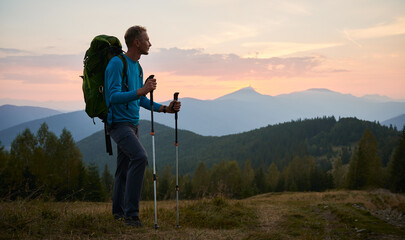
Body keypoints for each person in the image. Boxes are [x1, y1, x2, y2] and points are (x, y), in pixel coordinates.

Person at [104, 25, 181, 227]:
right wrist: (142, 90)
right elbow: (112, 97)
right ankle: (131, 215)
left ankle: (118, 215)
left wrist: (166, 109)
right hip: (119, 124)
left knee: (123, 170)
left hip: (133, 124)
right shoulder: (116, 63)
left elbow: (140, 100)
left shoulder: (137, 67)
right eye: (147, 40)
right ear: (137, 42)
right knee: (140, 157)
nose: (150, 43)